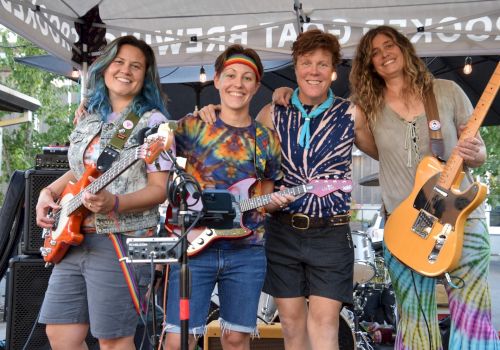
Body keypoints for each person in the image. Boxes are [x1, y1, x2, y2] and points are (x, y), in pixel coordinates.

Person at [197, 29, 377, 350]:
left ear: (333, 70)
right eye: (307, 63)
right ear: (295, 67)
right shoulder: (271, 112)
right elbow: (247, 162)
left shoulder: (351, 113)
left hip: (330, 233)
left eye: (322, 64)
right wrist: (209, 116)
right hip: (282, 232)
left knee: (324, 325)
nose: (314, 71)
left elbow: (385, 151)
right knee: (292, 327)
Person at [348, 25, 499, 350]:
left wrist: (475, 152)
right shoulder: (368, 107)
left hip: (461, 218)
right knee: (414, 319)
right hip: (405, 227)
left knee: (473, 314)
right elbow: (371, 147)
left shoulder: (447, 90)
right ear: (368, 63)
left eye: (389, 45)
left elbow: (480, 152)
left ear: (403, 48)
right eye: (374, 52)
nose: (383, 54)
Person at [35, 35, 172, 350]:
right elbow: (83, 171)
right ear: (106, 66)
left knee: (113, 341)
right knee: (61, 335)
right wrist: (49, 191)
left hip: (119, 239)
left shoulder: (155, 124)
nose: (126, 70)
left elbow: (159, 190)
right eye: (120, 62)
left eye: (136, 66)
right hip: (72, 237)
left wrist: (116, 202)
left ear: (145, 76)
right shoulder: (90, 114)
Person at [163, 44, 285, 350]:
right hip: (193, 248)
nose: (238, 84)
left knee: (235, 339)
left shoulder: (267, 139)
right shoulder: (192, 126)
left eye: (247, 78)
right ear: (216, 80)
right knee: (180, 338)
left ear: (256, 86)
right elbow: (154, 159)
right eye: (230, 75)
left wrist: (277, 202)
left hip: (246, 251)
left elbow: (265, 199)